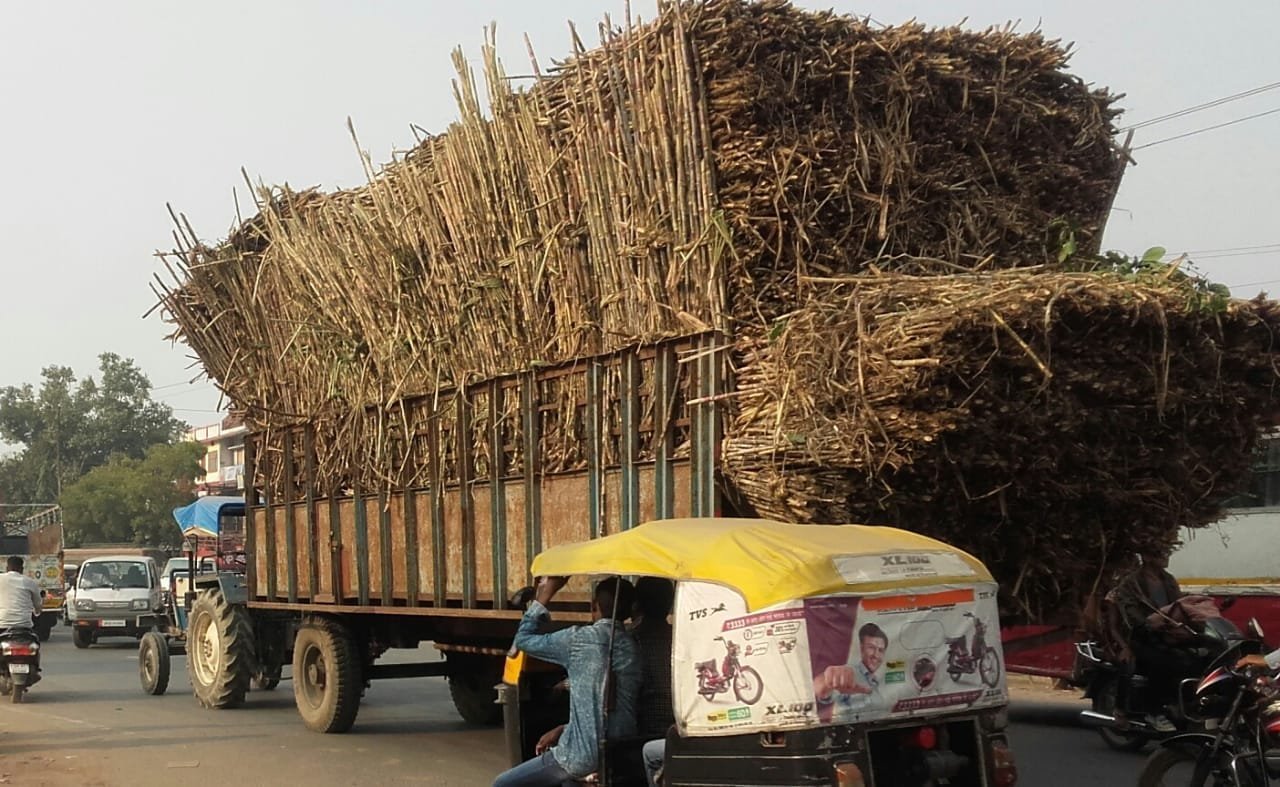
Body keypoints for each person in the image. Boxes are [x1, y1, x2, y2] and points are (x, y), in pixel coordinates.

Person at [493, 575, 641, 787]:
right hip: (622, 755)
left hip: (579, 757)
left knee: (502, 783)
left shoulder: (578, 639)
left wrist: (546, 593)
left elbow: (523, 640)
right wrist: (565, 727)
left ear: (594, 606)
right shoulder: (633, 647)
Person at [1105, 545, 1193, 733]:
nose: (1166, 557)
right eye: (1160, 553)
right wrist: (1148, 624)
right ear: (1146, 556)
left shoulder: (1168, 580)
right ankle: (1153, 712)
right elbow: (1130, 613)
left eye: (1167, 552)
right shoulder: (1132, 583)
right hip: (1141, 638)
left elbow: (1179, 605)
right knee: (1162, 662)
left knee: (1194, 656)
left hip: (1166, 636)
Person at [631, 577, 675, 787]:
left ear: (636, 605)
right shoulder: (680, 639)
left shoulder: (631, 641)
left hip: (643, 733)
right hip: (677, 730)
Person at [813, 622, 888, 718]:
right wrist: (827, 680)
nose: (876, 655)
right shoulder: (850, 672)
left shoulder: (875, 681)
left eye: (880, 650)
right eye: (871, 648)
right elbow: (821, 688)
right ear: (862, 649)